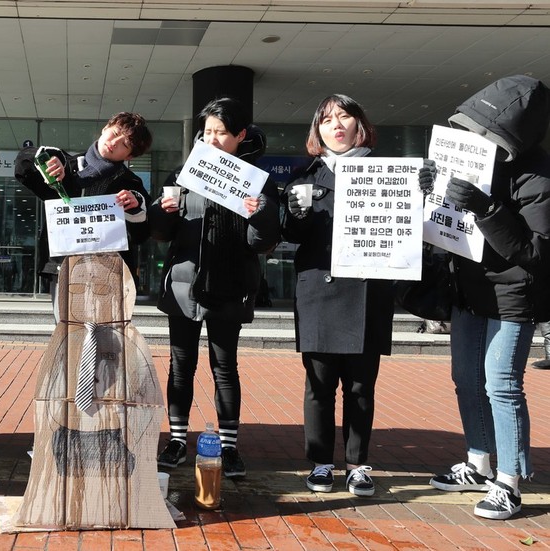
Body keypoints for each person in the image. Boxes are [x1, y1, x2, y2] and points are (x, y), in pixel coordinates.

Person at [428, 75, 550, 520]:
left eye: (485, 131)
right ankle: (479, 463)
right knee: (466, 378)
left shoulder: (539, 176)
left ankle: (511, 481)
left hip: (514, 296)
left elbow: (535, 251)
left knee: (502, 385)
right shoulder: (469, 162)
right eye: (471, 128)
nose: (474, 138)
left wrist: (486, 208)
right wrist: (431, 189)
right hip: (469, 288)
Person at [148, 98, 280, 477]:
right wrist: (162, 212)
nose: (213, 139)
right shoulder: (184, 174)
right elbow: (162, 233)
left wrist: (262, 212)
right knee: (180, 366)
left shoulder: (255, 181)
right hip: (185, 284)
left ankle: (229, 447)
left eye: (221, 132)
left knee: (225, 367)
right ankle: (176, 441)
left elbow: (261, 242)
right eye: (207, 132)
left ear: (239, 136)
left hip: (231, 284)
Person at [281, 94, 393, 497]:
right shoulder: (305, 178)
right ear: (318, 131)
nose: (337, 125)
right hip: (319, 296)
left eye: (345, 116)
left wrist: (424, 190)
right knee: (319, 385)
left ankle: (359, 465)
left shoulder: (388, 175)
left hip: (368, 296)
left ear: (359, 124)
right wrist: (295, 213)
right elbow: (291, 238)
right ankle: (322, 463)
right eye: (328, 120)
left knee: (362, 388)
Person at [14, 113, 153, 320]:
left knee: (108, 335)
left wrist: (135, 206)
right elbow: (23, 163)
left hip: (109, 272)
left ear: (130, 156)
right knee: (67, 334)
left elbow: (142, 234)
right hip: (65, 268)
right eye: (114, 133)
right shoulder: (67, 165)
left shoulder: (130, 184)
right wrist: (50, 161)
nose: (113, 143)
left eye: (124, 144)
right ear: (106, 128)